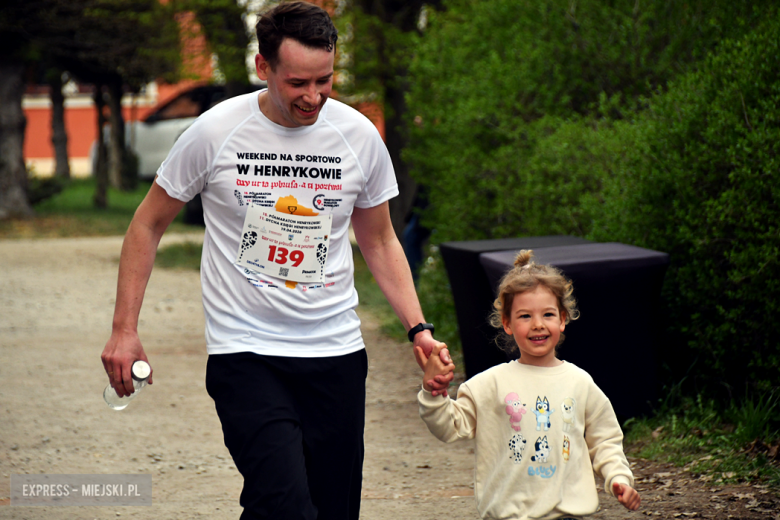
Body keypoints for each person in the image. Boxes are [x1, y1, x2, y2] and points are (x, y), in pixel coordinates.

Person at [100, 3, 451, 519]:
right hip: (246, 351)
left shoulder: (356, 137)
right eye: (297, 83)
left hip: (335, 353)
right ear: (263, 68)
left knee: (328, 510)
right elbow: (147, 224)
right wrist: (124, 329)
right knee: (285, 503)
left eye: (324, 80)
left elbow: (378, 241)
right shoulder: (214, 132)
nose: (313, 97)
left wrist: (418, 327)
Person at [416, 250, 641, 520]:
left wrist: (618, 477)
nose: (537, 325)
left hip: (567, 514)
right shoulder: (490, 384)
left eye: (547, 314)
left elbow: (605, 439)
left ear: (562, 319)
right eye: (524, 316)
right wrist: (434, 392)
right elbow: (449, 426)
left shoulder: (579, 383)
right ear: (507, 323)